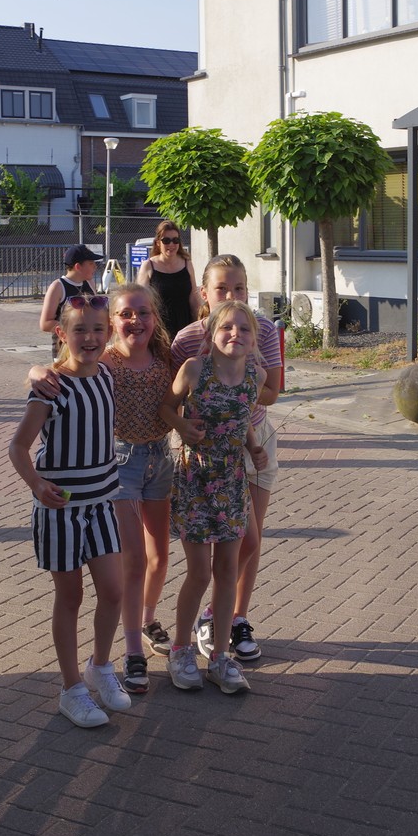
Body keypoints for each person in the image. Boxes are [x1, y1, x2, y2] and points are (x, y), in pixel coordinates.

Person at [28, 283, 185, 697]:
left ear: (155, 317)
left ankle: (141, 625)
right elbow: (59, 371)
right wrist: (35, 370)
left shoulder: (163, 358)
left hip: (156, 461)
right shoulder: (104, 363)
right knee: (127, 564)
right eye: (125, 313)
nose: (136, 320)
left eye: (143, 312)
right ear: (113, 322)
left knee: (156, 558)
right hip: (116, 468)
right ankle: (127, 654)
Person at [7, 294, 131, 729]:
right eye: (80, 329)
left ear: (109, 332)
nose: (90, 338)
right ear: (62, 334)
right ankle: (71, 688)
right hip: (61, 509)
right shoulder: (50, 388)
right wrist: (37, 485)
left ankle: (101, 667)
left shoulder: (107, 374)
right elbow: (18, 447)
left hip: (102, 504)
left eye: (98, 329)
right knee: (71, 596)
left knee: (113, 590)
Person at [171, 254, 284, 667]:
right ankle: (194, 633)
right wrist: (185, 425)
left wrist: (243, 387)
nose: (231, 295)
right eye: (222, 288)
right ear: (205, 293)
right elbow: (172, 397)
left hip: (247, 444)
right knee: (209, 562)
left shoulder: (261, 332)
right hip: (202, 460)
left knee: (248, 542)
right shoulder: (188, 342)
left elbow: (270, 392)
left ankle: (232, 620)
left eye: (239, 288)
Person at [163, 299, 267, 695]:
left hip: (232, 484)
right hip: (195, 480)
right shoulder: (194, 369)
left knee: (227, 572)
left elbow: (243, 421)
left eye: (244, 329)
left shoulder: (255, 376)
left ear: (253, 340)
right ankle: (181, 650)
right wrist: (182, 426)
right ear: (211, 334)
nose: (235, 334)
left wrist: (254, 447)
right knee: (199, 573)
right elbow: (166, 408)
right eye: (227, 327)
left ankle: (221, 657)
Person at [136, 220, 203, 339]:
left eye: (175, 240)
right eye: (166, 240)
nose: (171, 244)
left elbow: (193, 297)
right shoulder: (148, 266)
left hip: (184, 325)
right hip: (159, 329)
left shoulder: (187, 264)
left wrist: (199, 324)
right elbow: (141, 301)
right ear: (158, 243)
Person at [39, 245, 99, 343]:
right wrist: (77, 328)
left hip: (89, 344)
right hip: (65, 347)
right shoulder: (58, 287)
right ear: (78, 267)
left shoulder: (89, 282)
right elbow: (45, 324)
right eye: (91, 263)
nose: (95, 267)